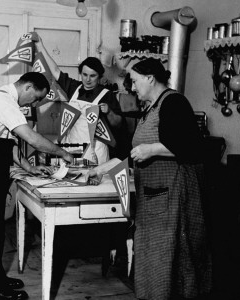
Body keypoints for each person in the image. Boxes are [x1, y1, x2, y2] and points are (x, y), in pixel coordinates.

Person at [85, 58, 213, 299]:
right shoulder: (151, 107)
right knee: (154, 257)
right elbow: (131, 153)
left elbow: (192, 147)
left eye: (134, 81)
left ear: (150, 78)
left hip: (174, 195)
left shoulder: (174, 102)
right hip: (155, 196)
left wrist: (152, 149)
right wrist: (100, 170)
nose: (132, 87)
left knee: (172, 257)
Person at [0, 72, 73, 300]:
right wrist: (62, 152)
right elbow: (31, 138)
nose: (32, 104)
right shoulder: (2, 100)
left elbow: (8, 143)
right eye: (34, 98)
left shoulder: (7, 102)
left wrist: (29, 167)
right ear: (28, 87)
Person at [35, 36, 128, 163]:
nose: (88, 80)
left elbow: (119, 124)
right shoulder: (73, 87)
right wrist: (40, 45)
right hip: (72, 148)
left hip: (95, 152)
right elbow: (55, 71)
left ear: (99, 77)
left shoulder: (107, 94)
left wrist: (109, 112)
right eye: (84, 75)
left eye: (92, 76)